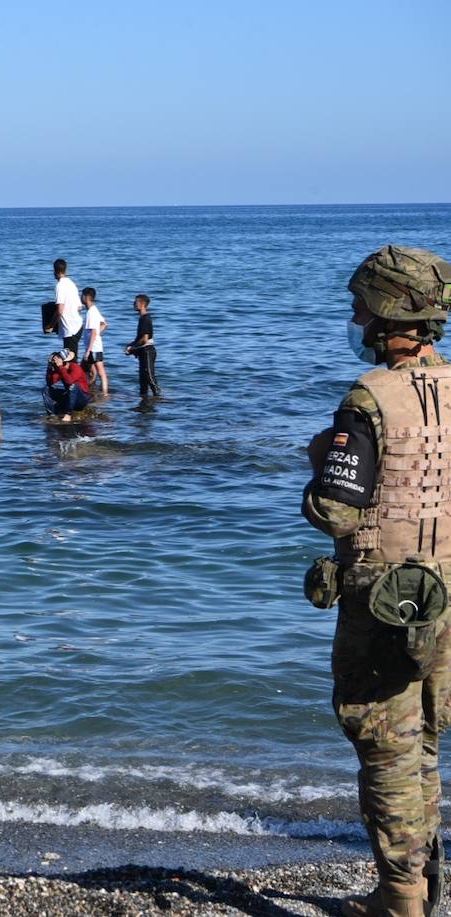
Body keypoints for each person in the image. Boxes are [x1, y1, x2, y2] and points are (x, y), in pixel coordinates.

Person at [302, 246, 451, 917]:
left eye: (362, 303)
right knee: (423, 739)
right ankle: (421, 885)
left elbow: (332, 508)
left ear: (390, 311)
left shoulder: (369, 398)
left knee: (386, 748)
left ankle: (402, 903)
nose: (354, 314)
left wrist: (318, 458)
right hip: (446, 598)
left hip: (384, 603)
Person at [124, 294, 161, 399]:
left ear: (142, 304)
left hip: (148, 351)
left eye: (135, 302)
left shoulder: (145, 319)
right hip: (143, 351)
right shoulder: (142, 318)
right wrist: (130, 346)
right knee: (143, 380)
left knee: (149, 376)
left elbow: (145, 339)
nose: (133, 304)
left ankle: (158, 397)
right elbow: (139, 338)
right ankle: (144, 402)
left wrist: (133, 347)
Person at [43, 349, 91, 420]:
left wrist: (61, 367)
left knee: (73, 386)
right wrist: (49, 368)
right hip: (69, 396)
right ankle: (51, 415)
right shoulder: (61, 369)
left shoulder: (75, 367)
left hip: (82, 398)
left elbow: (69, 381)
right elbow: (50, 382)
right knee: (45, 389)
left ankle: (68, 415)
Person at [79, 287, 109, 395]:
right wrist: (97, 334)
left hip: (94, 348)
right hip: (93, 347)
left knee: (101, 373)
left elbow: (93, 332)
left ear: (86, 297)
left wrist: (88, 350)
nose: (80, 297)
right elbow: (104, 324)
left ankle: (105, 394)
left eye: (81, 295)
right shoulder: (94, 310)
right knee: (90, 372)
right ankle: (89, 390)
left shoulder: (91, 313)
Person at [53, 258, 83, 355]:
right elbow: (79, 307)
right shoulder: (72, 284)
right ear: (66, 270)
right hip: (78, 326)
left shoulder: (60, 286)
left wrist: (51, 325)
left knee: (70, 361)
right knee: (70, 358)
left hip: (70, 329)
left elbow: (60, 310)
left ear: (54, 271)